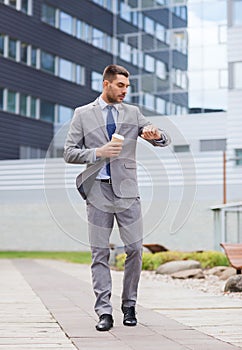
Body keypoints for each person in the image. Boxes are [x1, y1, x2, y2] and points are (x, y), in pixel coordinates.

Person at [63, 64, 171, 332]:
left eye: (127, 86)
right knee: (99, 252)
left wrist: (155, 134)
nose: (125, 90)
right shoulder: (82, 114)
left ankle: (129, 305)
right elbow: (68, 152)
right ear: (106, 84)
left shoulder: (132, 113)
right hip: (97, 191)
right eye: (120, 85)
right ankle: (104, 312)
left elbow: (162, 138)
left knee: (134, 249)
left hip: (127, 191)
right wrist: (98, 152)